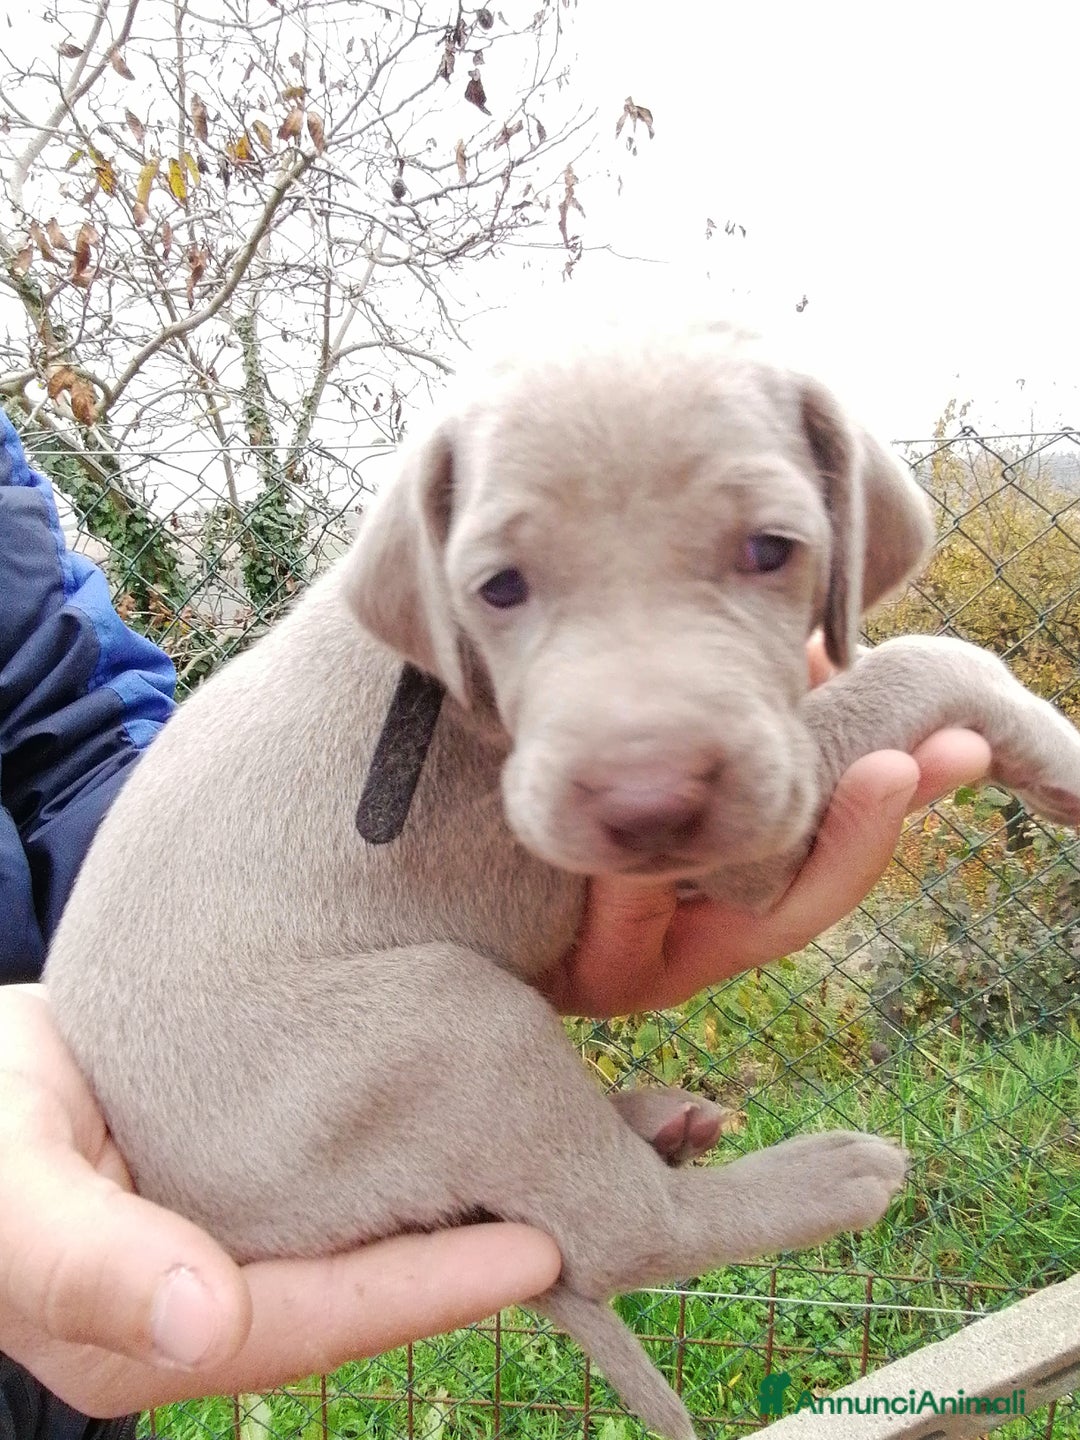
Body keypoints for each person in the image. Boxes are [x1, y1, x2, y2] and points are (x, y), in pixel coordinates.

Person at [0, 410, 992, 1435]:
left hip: (83, 1154)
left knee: (447, 1019)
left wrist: (288, 942)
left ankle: (530, 1151)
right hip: (81, 1185)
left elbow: (66, 735)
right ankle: (640, 1217)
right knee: (459, 1024)